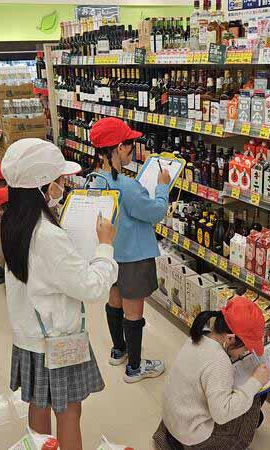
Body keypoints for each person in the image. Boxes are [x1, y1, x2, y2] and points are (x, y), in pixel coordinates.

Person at [1, 138, 116, 450]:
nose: (64, 185)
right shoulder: (48, 236)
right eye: (61, 180)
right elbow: (92, 287)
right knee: (69, 411)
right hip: (58, 338)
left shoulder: (12, 220)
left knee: (38, 403)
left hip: (29, 336)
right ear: (44, 187)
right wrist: (105, 246)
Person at [90, 117, 171, 383]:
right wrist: (162, 186)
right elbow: (156, 212)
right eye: (129, 145)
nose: (132, 150)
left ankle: (119, 350)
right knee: (133, 312)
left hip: (110, 253)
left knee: (114, 300)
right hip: (135, 257)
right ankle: (135, 367)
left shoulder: (95, 180)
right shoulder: (128, 186)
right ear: (118, 148)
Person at [153, 297, 270, 450]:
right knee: (254, 400)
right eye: (246, 348)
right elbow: (221, 414)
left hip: (174, 421)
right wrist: (255, 382)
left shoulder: (200, 337)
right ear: (230, 339)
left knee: (251, 405)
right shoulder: (219, 361)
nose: (244, 353)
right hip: (191, 435)